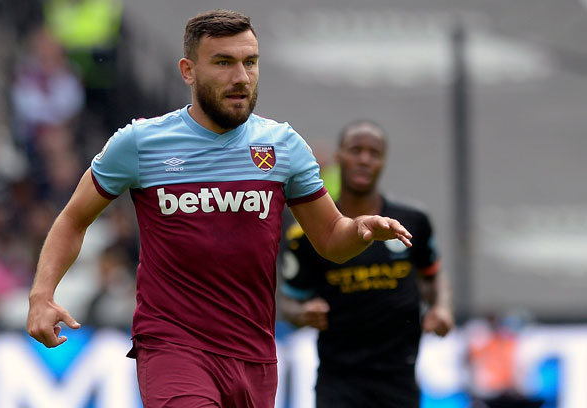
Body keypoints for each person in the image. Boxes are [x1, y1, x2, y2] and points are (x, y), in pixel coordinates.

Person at [26, 10, 413, 408]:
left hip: (254, 354)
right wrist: (42, 295)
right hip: (173, 345)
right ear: (188, 71)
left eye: (250, 62)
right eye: (224, 63)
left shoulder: (283, 146)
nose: (241, 77)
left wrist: (360, 230)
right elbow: (74, 218)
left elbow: (331, 238)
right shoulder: (141, 143)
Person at [280, 120, 454, 408]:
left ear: (383, 161)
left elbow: (433, 275)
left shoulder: (413, 221)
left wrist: (443, 308)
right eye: (355, 150)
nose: (364, 159)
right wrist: (303, 312)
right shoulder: (310, 230)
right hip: (339, 381)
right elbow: (289, 303)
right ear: (338, 158)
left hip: (399, 379)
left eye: (374, 153)